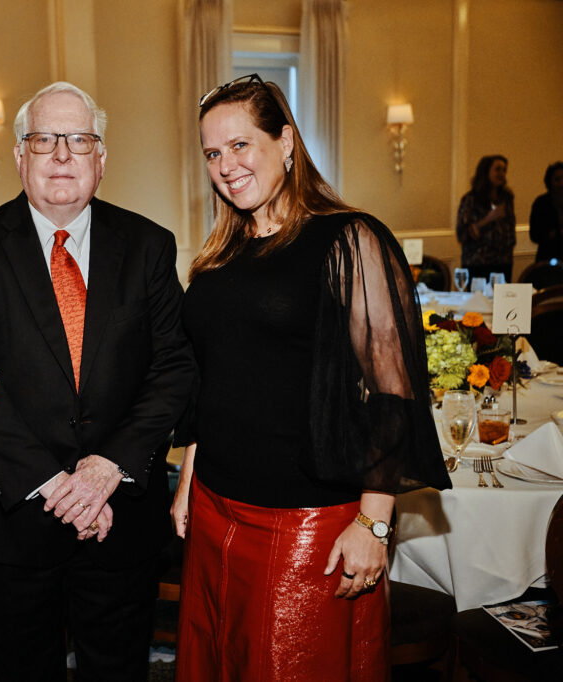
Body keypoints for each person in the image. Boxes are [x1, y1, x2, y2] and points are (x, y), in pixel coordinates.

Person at [170, 74, 451, 680]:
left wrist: (374, 523)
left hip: (302, 519)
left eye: (241, 145)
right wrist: (191, 467)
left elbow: (394, 391)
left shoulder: (350, 238)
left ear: (287, 140)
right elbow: (214, 371)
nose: (226, 165)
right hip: (216, 506)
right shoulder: (221, 254)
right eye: (213, 153)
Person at [0, 82, 196, 681]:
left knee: (118, 670)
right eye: (44, 139)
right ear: (19, 156)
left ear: (101, 160)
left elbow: (174, 367)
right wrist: (58, 486)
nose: (61, 155)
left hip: (122, 514)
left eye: (79, 140)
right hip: (16, 516)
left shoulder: (149, 245)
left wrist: (107, 468)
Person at [456, 154, 516, 281]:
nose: (502, 173)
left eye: (504, 170)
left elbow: (510, 229)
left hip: (503, 263)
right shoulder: (470, 199)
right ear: (485, 171)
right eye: (497, 169)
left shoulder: (506, 198)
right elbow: (462, 234)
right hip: (477, 262)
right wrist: (488, 219)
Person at [529, 161, 563, 263]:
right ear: (550, 182)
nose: (562, 183)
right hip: (547, 259)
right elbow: (534, 235)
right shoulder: (541, 203)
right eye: (557, 179)